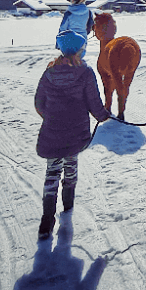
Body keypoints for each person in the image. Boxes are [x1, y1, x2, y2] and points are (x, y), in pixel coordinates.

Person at [33, 43, 112, 241]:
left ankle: (46, 220)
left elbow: (39, 103)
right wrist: (104, 116)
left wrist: (52, 117)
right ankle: (67, 210)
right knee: (70, 168)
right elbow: (94, 103)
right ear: (78, 50)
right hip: (75, 131)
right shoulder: (85, 72)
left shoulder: (49, 72)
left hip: (53, 130)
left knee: (52, 173)